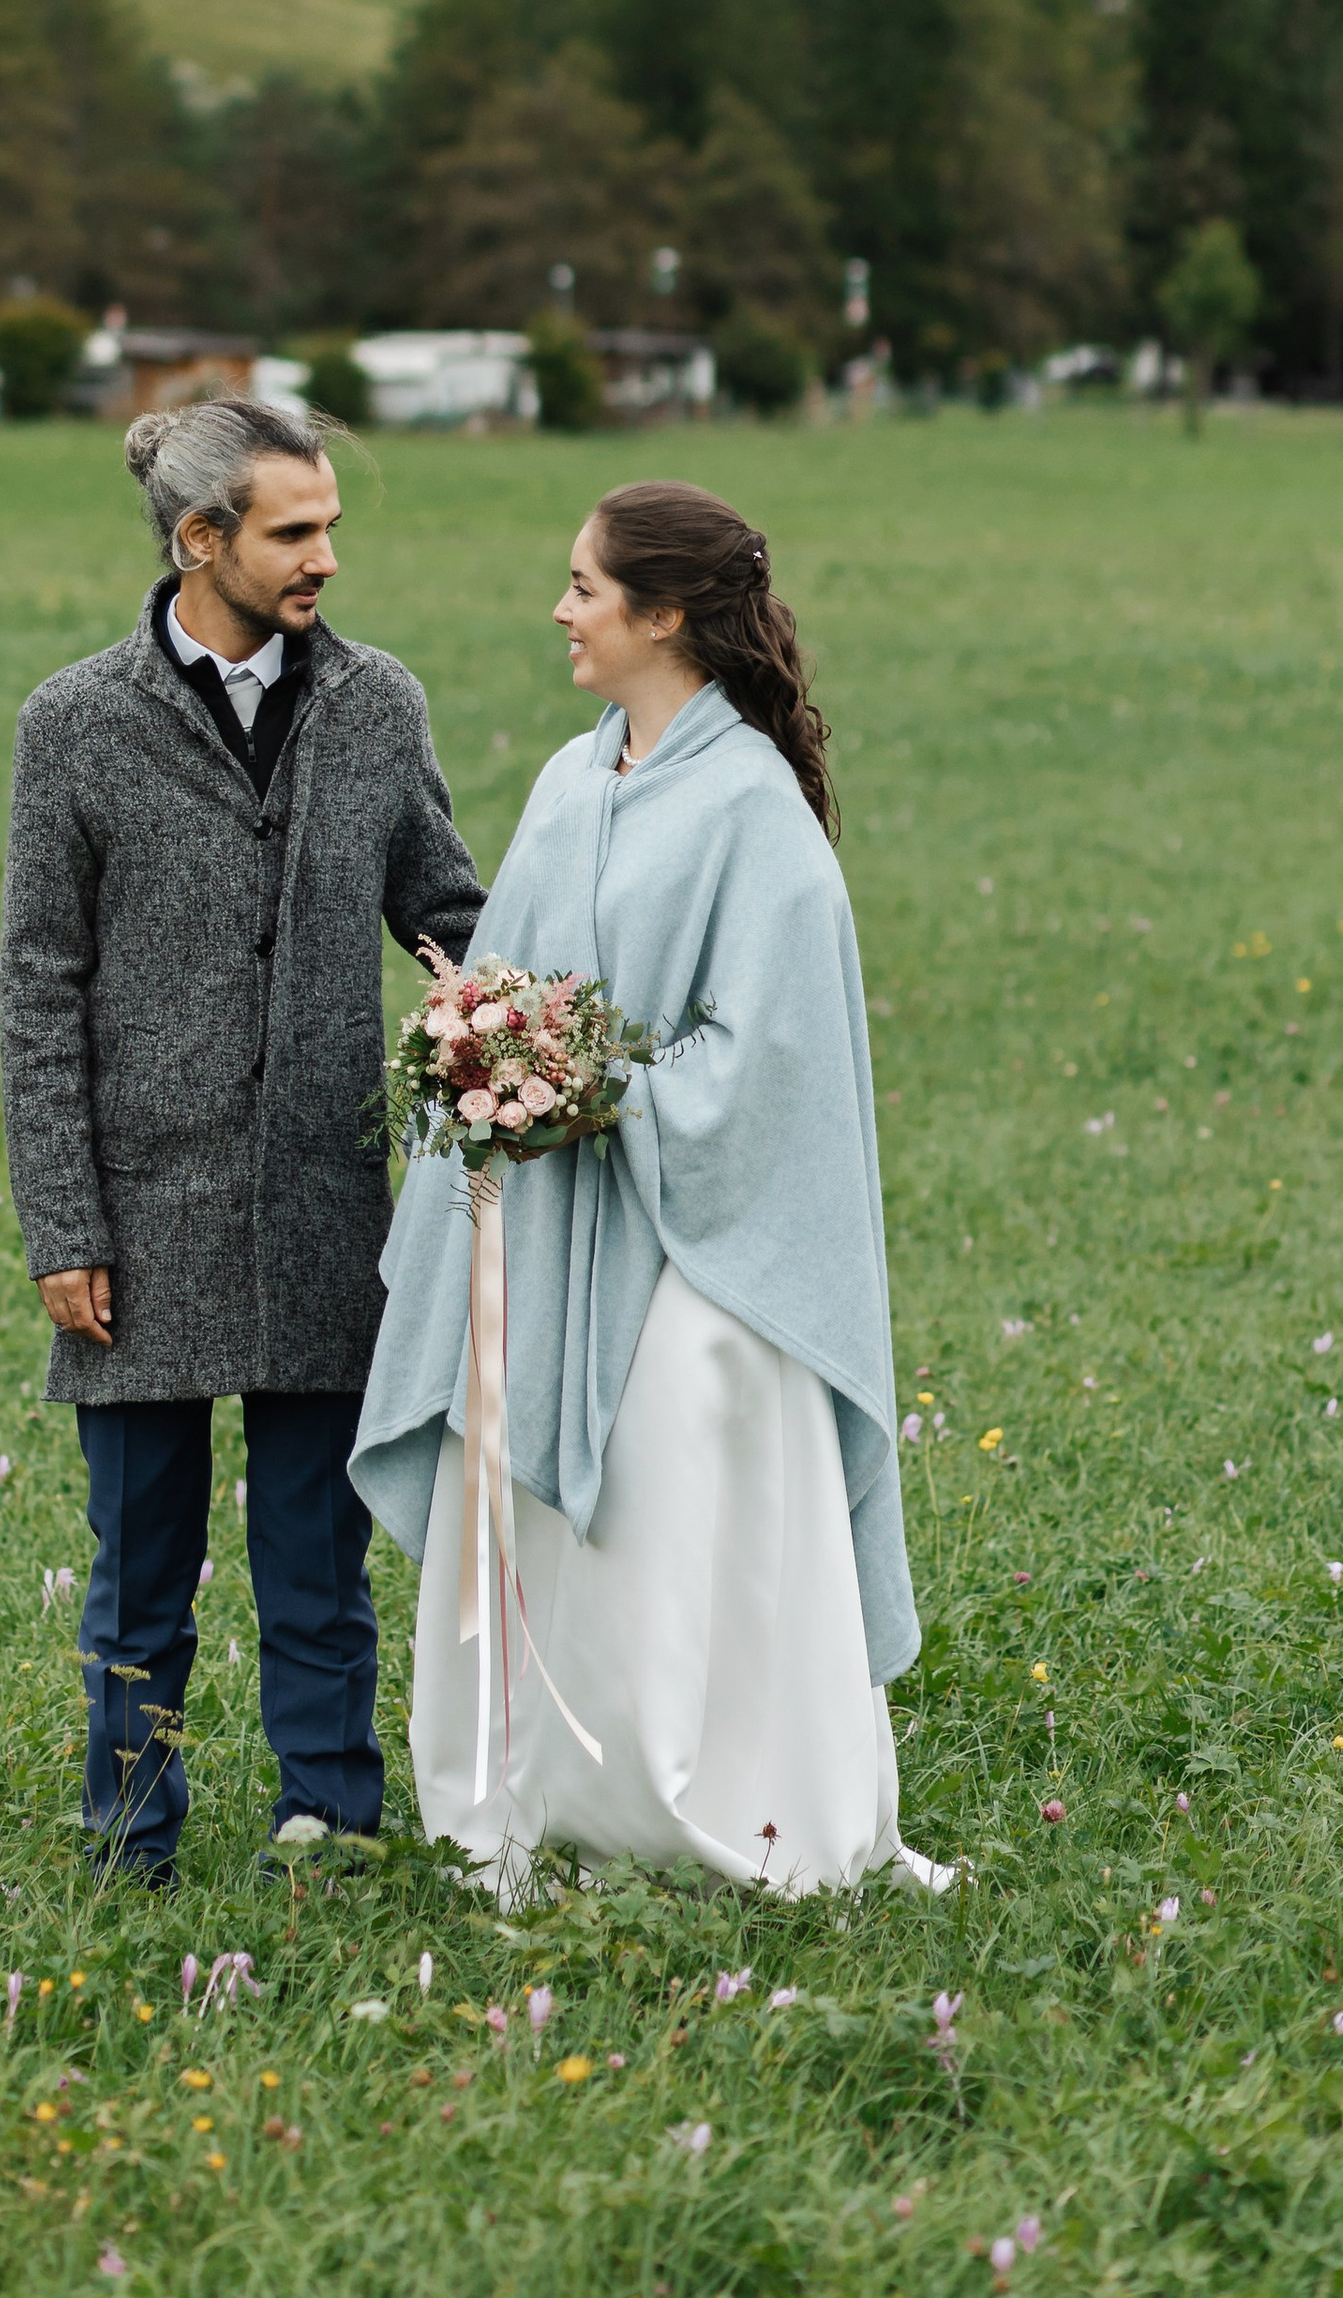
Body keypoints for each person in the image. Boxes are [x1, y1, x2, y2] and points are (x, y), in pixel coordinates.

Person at [353, 477, 949, 1899]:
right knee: (512, 1452)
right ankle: (548, 1789)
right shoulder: (574, 777)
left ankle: (714, 1795)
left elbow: (770, 1064)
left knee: (681, 1429)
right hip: (556, 1220)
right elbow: (510, 970)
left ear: (664, 615)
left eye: (583, 588)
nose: (558, 611)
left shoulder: (757, 813)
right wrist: (487, 1051)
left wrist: (596, 1089)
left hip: (702, 1237)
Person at [0, 397, 483, 1885]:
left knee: (315, 1565)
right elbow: (40, 982)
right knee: (138, 1568)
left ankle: (329, 1819)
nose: (325, 555)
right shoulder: (74, 722)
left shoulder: (378, 704)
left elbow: (448, 908)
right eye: (295, 530)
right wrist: (64, 1221)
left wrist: (505, 1019)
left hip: (327, 1203)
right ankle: (129, 1830)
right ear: (199, 539)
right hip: (142, 1216)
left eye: (332, 525)